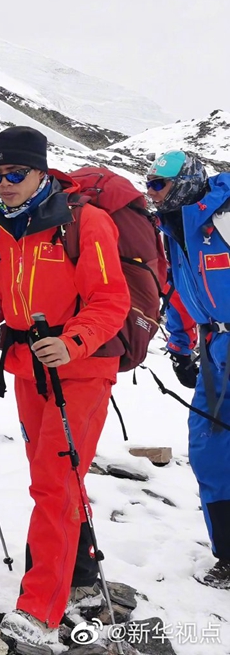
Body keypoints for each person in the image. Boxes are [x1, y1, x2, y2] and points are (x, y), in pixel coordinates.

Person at [0, 126, 130, 646]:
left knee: (55, 482)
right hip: (29, 370)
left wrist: (73, 341)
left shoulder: (86, 222)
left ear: (41, 172)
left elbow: (111, 301)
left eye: (15, 174)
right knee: (54, 479)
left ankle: (40, 609)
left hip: (82, 369)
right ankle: (77, 574)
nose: (3, 184)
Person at [148, 149, 230, 589]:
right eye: (150, 184)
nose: (152, 193)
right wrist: (180, 347)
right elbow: (179, 291)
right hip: (215, 350)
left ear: (186, 183)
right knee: (208, 449)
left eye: (159, 185)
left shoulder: (224, 216)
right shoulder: (175, 227)